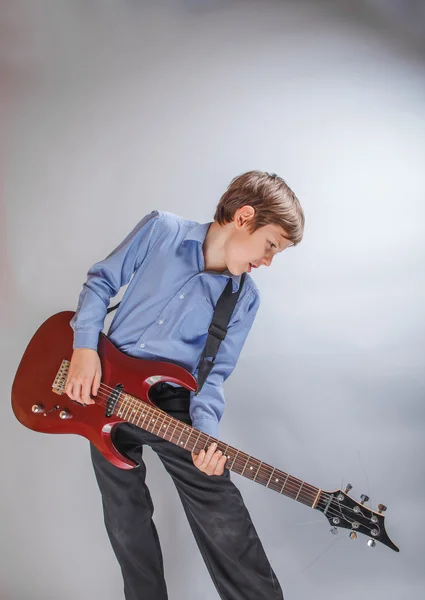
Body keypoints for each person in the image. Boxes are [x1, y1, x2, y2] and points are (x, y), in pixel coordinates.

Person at [65, 170, 305, 600]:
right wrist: (85, 347)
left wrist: (206, 439)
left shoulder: (244, 298)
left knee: (223, 517)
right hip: (104, 389)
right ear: (244, 217)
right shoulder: (161, 229)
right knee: (126, 522)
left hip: (172, 403)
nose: (268, 262)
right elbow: (101, 281)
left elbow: (213, 375)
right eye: (271, 245)